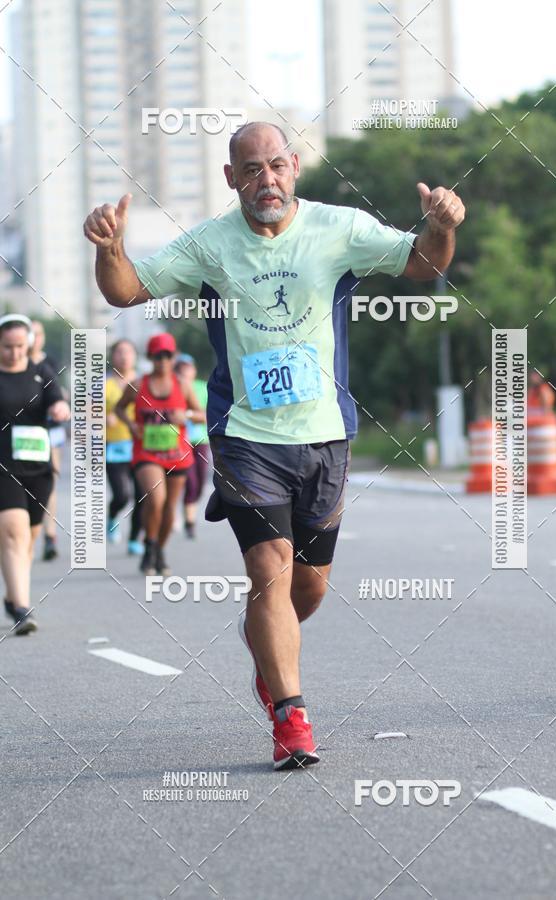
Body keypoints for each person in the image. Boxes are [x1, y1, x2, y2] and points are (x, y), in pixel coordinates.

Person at [84, 121, 465, 769]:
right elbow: (125, 290)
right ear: (231, 178)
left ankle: (262, 641)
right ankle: (291, 719)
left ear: (295, 168)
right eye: (252, 169)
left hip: (324, 435)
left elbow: (424, 263)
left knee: (306, 589)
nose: (267, 180)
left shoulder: (338, 228)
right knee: (270, 570)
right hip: (245, 436)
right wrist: (111, 248)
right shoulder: (210, 244)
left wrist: (441, 226)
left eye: (277, 166)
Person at [0, 314, 70, 634]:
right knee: (13, 531)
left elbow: (58, 400)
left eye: (19, 346)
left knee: (28, 538)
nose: (14, 353)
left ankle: (13, 597)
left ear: (28, 344)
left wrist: (60, 409)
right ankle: (22, 608)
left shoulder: (41, 372)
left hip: (38, 468)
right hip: (4, 466)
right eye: (7, 347)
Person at [114, 333, 205, 576]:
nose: (163, 361)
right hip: (147, 453)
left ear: (173, 357)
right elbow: (119, 408)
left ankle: (158, 550)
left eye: (167, 356)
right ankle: (149, 543)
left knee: (169, 508)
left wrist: (185, 415)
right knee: (156, 498)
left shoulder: (182, 385)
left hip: (177, 454)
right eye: (157, 356)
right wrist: (131, 425)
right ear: (150, 357)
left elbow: (202, 415)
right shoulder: (138, 385)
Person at [29, 319, 66, 561]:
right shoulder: (10, 362)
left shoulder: (49, 364)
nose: (35, 338)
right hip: (20, 432)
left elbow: (59, 394)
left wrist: (60, 404)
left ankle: (50, 534)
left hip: (50, 431)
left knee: (49, 479)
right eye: (31, 333)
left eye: (39, 333)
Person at [106, 339, 144, 555]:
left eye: (128, 352)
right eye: (119, 352)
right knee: (122, 495)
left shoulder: (143, 383)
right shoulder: (103, 384)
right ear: (112, 356)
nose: (124, 356)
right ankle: (112, 516)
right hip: (113, 448)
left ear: (135, 356)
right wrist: (103, 417)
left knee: (142, 495)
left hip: (140, 446)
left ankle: (134, 539)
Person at [174, 353, 209, 539]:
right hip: (180, 442)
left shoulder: (203, 388)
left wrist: (187, 415)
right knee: (190, 482)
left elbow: (206, 415)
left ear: (194, 370)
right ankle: (189, 522)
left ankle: (187, 512)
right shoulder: (173, 388)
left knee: (200, 483)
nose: (185, 373)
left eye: (188, 368)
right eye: (181, 369)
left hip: (201, 441)